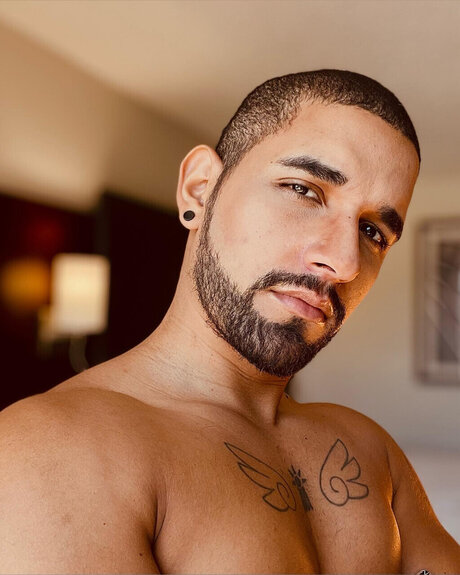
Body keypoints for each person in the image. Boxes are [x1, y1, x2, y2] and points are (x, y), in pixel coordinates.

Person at [0, 70, 458, 574]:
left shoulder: (372, 451)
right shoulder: (49, 450)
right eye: (304, 190)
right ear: (199, 189)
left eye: (373, 232)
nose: (344, 262)